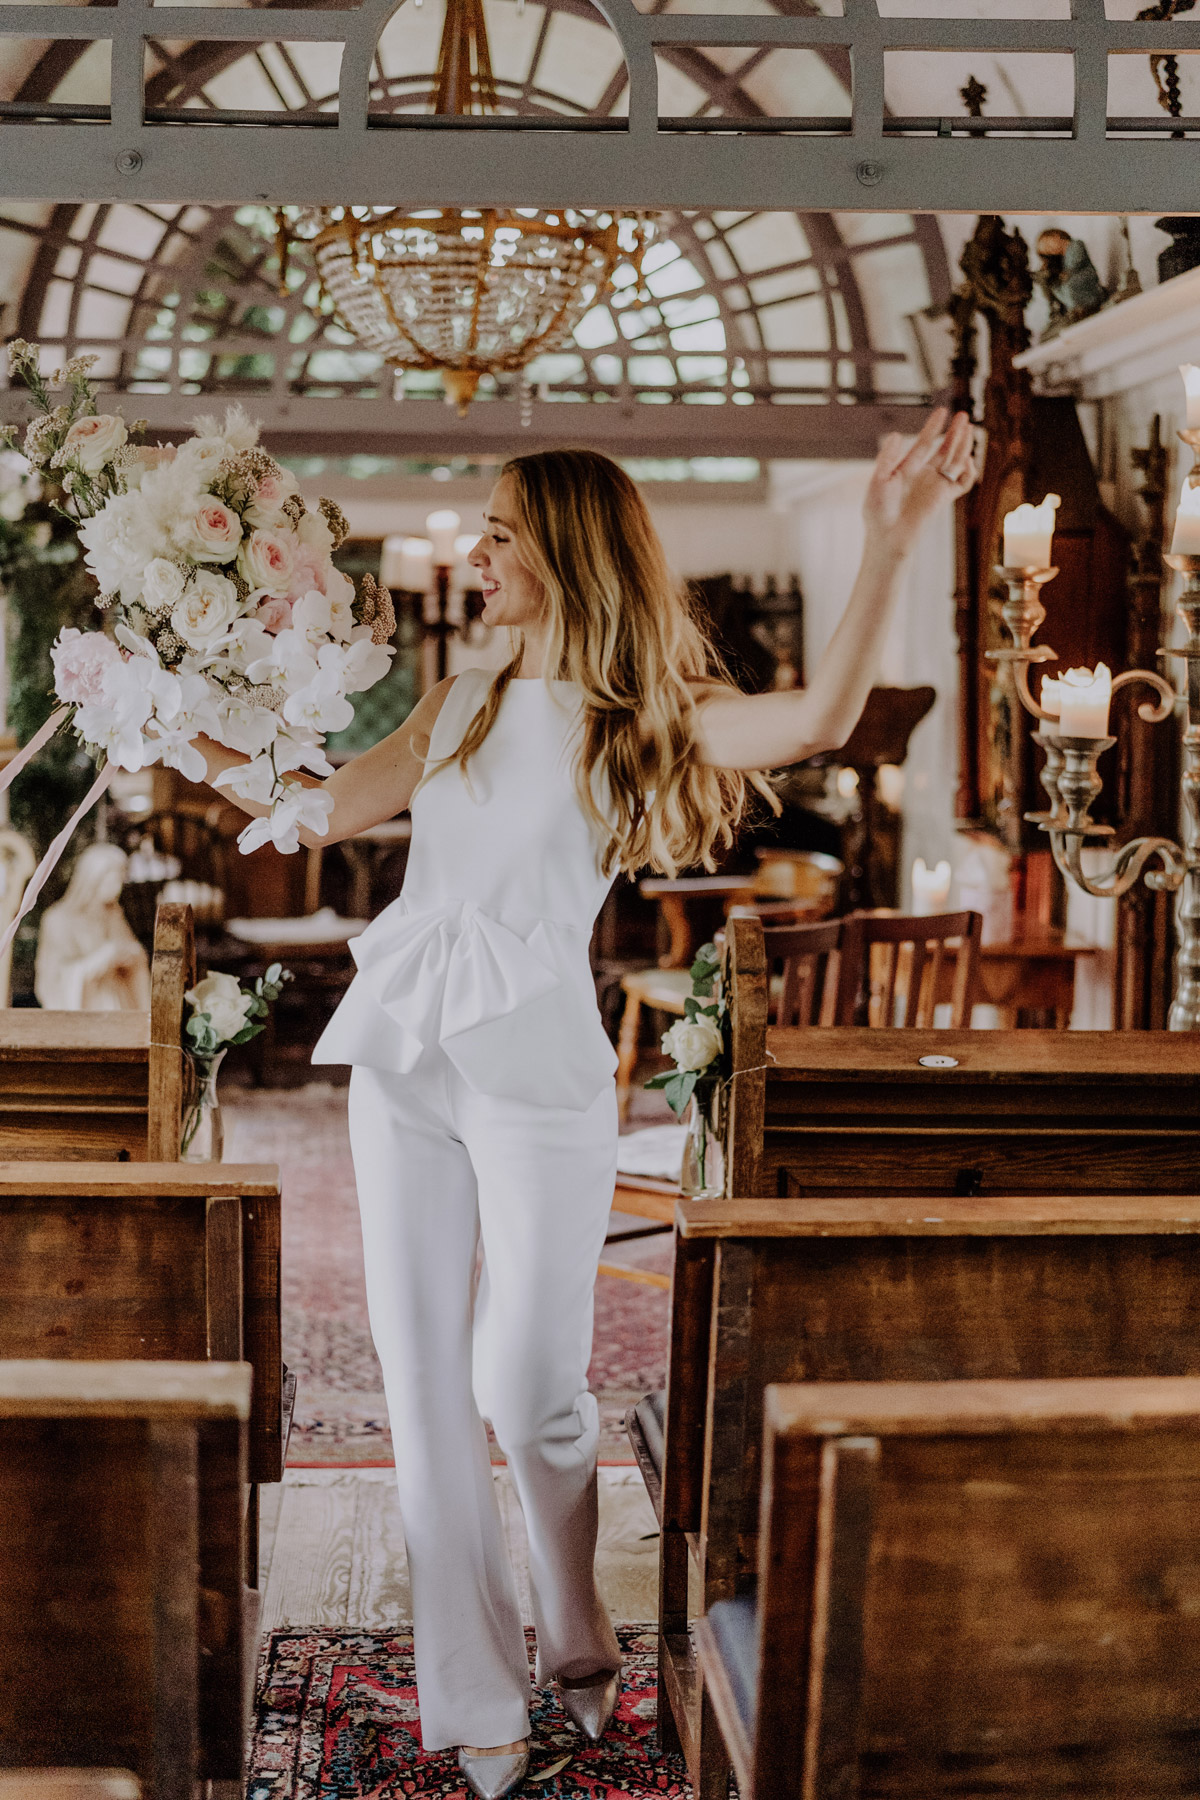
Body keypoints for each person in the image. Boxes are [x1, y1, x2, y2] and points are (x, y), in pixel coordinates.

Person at [198, 407, 976, 1797]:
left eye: (499, 529)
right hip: (404, 1055)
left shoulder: (635, 713)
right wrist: (166, 712)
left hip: (539, 1068)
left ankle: (571, 1610)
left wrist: (890, 531)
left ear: (561, 547)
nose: (479, 551)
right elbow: (313, 813)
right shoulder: (459, 695)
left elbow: (818, 719)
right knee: (423, 1382)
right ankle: (477, 1703)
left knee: (523, 1378)